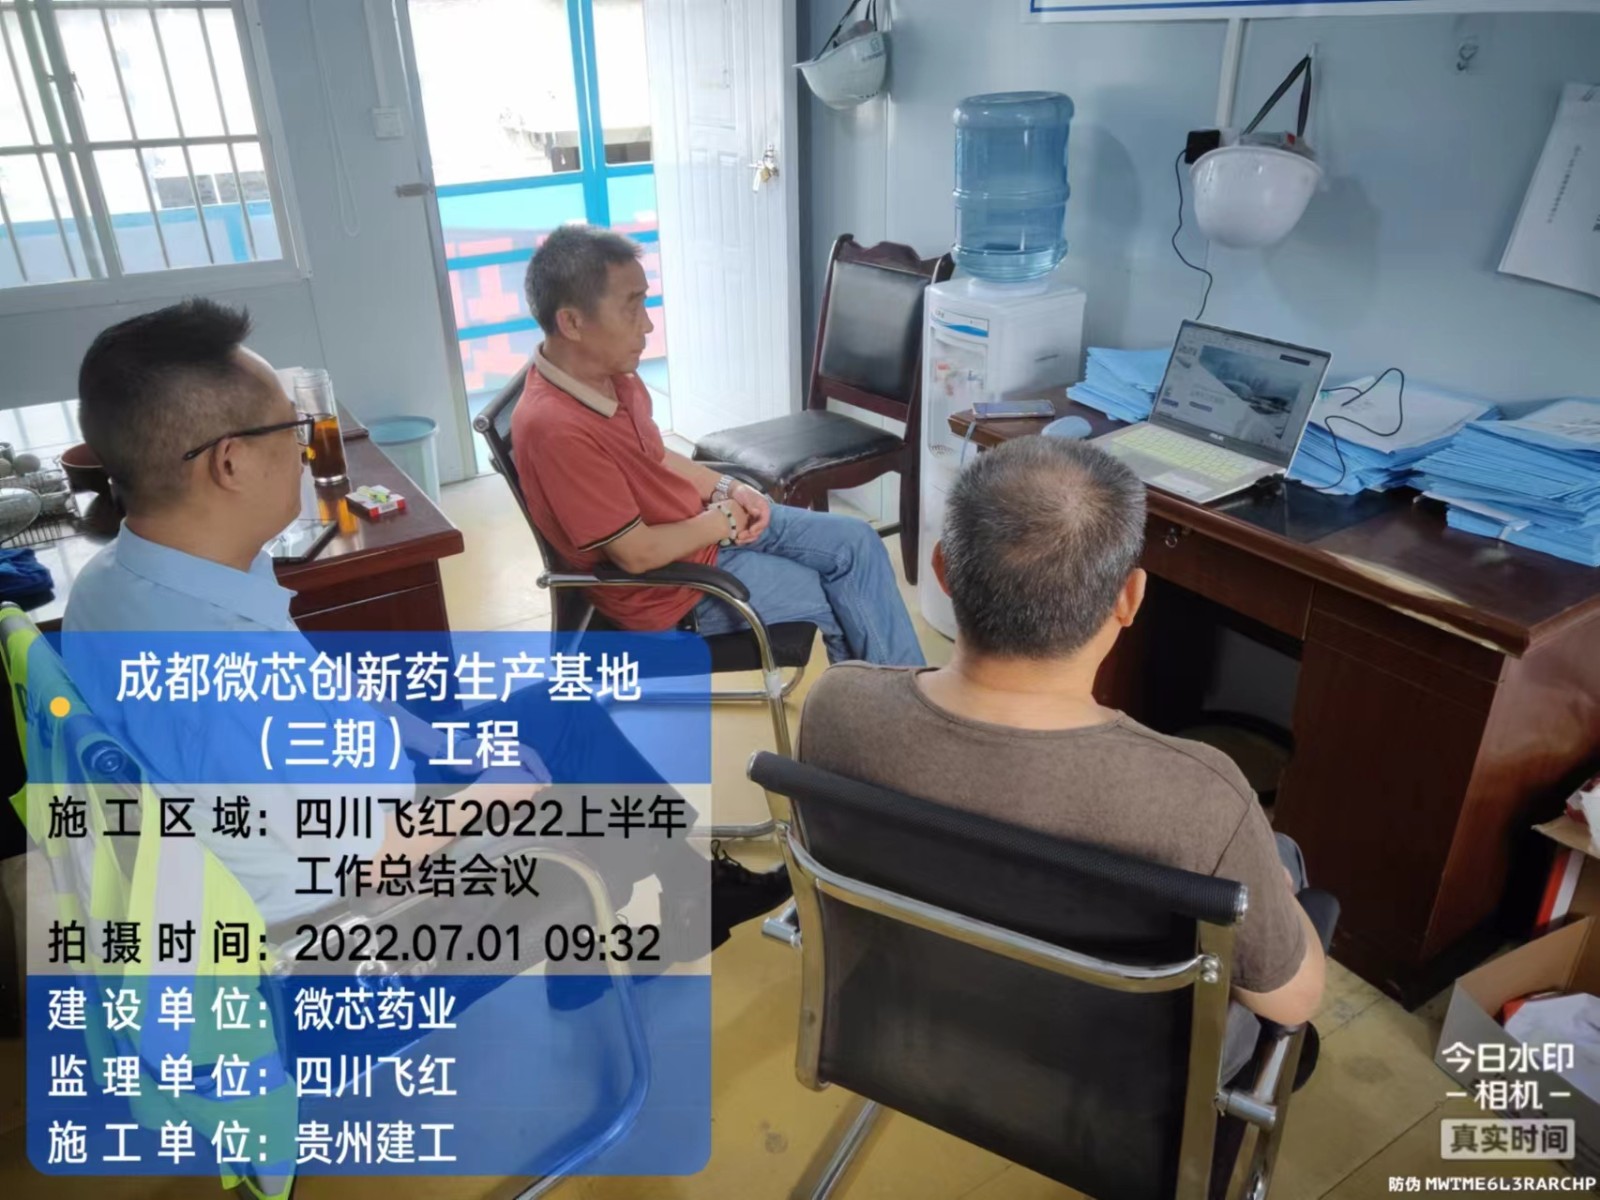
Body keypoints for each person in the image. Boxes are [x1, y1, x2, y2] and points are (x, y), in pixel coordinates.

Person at [64, 297, 788, 947]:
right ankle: (642, 908)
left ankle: (686, 888)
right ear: (229, 463)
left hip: (352, 801)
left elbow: (310, 718)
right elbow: (372, 859)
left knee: (560, 711)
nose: (306, 446)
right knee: (564, 778)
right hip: (360, 918)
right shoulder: (228, 670)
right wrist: (496, 790)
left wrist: (442, 740)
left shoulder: (116, 580)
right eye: (291, 426)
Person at [797, 436, 1325, 1084]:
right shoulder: (1202, 798)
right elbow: (1293, 1001)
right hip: (1116, 1081)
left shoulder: (837, 704)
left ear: (941, 570)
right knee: (1281, 865)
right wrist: (1276, 890)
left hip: (922, 1011)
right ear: (1130, 599)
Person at [513, 224, 924, 667]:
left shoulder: (607, 375)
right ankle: (893, 703)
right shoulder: (555, 428)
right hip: (673, 589)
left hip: (702, 533)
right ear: (572, 322)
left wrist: (730, 489)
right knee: (838, 592)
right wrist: (722, 521)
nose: (647, 324)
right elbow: (637, 554)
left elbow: (654, 455)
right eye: (632, 308)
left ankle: (903, 694)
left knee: (857, 541)